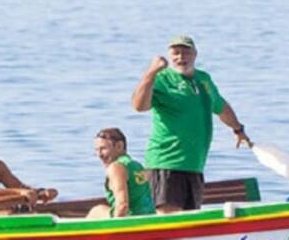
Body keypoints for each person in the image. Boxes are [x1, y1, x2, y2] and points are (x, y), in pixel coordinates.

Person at [131, 35, 250, 214]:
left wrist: (238, 129)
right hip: (166, 163)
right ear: (170, 55)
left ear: (195, 54)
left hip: (194, 165)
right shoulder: (162, 79)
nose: (181, 57)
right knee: (170, 219)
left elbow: (221, 106)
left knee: (189, 218)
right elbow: (139, 106)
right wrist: (151, 72)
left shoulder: (203, 79)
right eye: (176, 53)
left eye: (186, 52)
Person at [85, 128, 155, 219]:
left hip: (132, 221)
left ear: (119, 146)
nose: (99, 155)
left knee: (97, 211)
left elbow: (122, 206)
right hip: (149, 217)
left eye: (103, 149)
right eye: (97, 150)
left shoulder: (116, 167)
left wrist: (114, 226)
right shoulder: (137, 165)